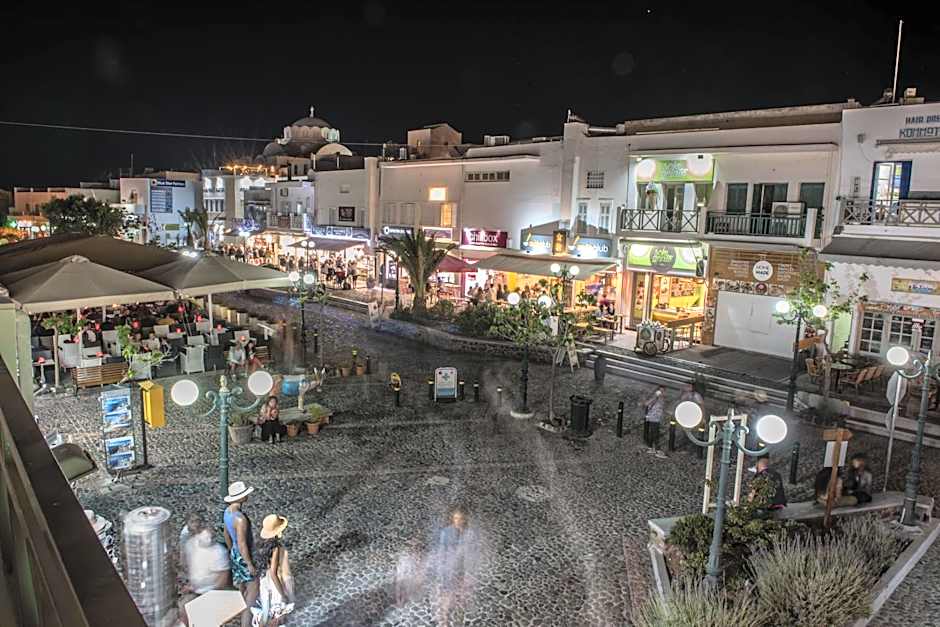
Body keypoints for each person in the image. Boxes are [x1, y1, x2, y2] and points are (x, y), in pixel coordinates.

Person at [179, 523, 230, 626]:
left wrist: (209, 594)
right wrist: (192, 586)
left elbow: (223, 580)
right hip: (196, 590)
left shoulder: (219, 552)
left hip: (212, 593)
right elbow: (189, 565)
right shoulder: (191, 544)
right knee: (183, 608)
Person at [435, 505, 478, 626]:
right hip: (448, 568)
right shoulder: (446, 532)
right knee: (447, 594)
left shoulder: (470, 533)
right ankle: (445, 620)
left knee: (460, 596)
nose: (458, 521)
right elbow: (442, 551)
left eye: (461, 518)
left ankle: (458, 619)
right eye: (456, 518)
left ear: (465, 519)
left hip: (461, 568)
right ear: (452, 519)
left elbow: (472, 550)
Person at [223, 481, 259, 627]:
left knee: (242, 586)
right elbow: (243, 543)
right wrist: (249, 563)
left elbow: (226, 534)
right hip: (243, 555)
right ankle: (246, 622)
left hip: (235, 553)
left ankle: (239, 613)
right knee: (253, 589)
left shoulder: (227, 512)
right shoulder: (240, 519)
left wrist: (232, 550)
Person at [250, 514, 295, 627]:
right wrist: (282, 594)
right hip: (273, 582)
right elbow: (273, 573)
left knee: (266, 612)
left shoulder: (259, 545)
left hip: (264, 581)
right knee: (277, 615)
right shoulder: (276, 548)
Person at [644, 387, 667, 458]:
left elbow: (662, 407)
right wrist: (655, 397)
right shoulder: (655, 398)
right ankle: (658, 450)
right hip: (654, 418)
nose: (662, 393)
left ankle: (650, 447)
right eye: (661, 391)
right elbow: (646, 404)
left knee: (652, 433)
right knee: (656, 434)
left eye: (663, 391)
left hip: (657, 418)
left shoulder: (662, 399)